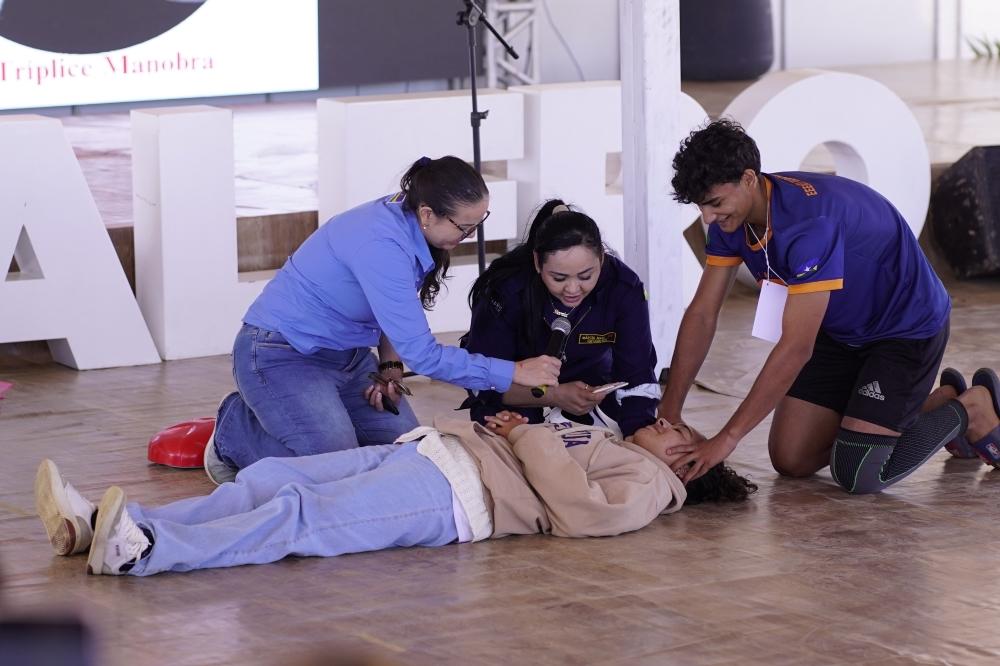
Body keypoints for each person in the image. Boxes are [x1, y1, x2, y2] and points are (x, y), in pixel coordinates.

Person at [658, 118, 998, 493]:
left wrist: (727, 438)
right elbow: (703, 313)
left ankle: (971, 408)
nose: (708, 218)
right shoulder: (732, 222)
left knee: (858, 472)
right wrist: (669, 413)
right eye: (701, 207)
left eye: (715, 204)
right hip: (839, 330)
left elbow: (796, 347)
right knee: (792, 459)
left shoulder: (809, 226)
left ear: (750, 179)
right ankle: (924, 406)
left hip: (904, 331)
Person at [34, 412, 757, 576]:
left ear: (689, 467)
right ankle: (101, 523)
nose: (666, 423)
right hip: (431, 453)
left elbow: (580, 513)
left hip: (454, 494)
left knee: (301, 516)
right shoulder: (613, 440)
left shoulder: (652, 486)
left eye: (678, 433)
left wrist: (528, 433)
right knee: (269, 478)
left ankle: (144, 552)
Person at [204, 156, 561, 484]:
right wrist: (514, 372)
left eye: (478, 223)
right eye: (464, 227)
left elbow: (395, 307)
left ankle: (315, 420)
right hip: (281, 353)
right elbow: (424, 357)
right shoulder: (382, 245)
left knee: (411, 452)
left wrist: (389, 366)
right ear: (427, 214)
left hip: (348, 356)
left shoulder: (411, 219)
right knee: (336, 468)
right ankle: (234, 429)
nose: (470, 235)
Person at [462, 200, 659, 438]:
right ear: (537, 262)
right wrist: (554, 396)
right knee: (516, 446)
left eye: (586, 276)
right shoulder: (505, 291)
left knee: (607, 445)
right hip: (517, 397)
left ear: (602, 259)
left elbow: (638, 375)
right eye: (559, 278)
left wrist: (637, 437)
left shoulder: (623, 288)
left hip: (588, 394)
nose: (573, 289)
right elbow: (480, 381)